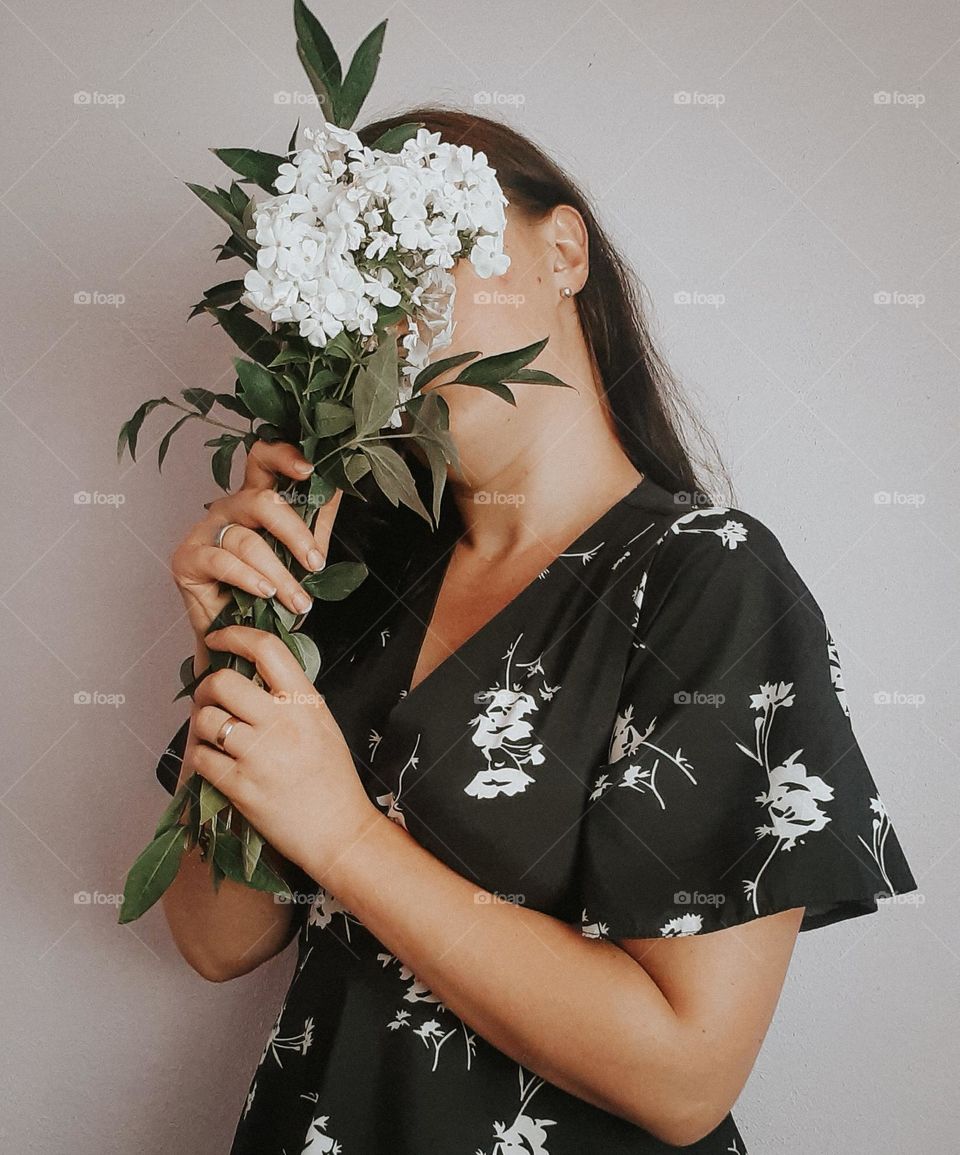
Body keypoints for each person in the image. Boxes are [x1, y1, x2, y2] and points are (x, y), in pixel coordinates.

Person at [152, 108, 919, 1154]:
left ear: (562, 251)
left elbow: (687, 1076)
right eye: (363, 302)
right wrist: (236, 647)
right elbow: (215, 938)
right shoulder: (355, 580)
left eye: (426, 264)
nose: (401, 335)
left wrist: (344, 834)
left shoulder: (708, 581)